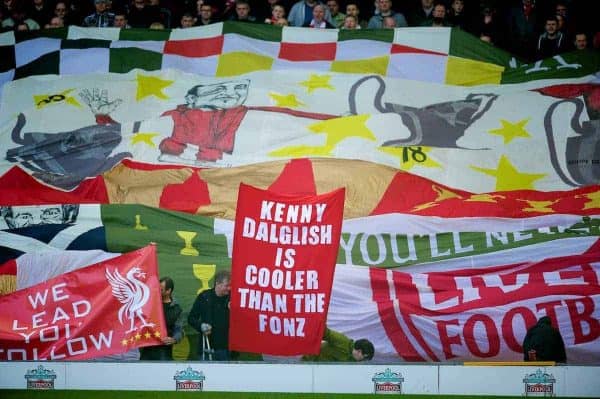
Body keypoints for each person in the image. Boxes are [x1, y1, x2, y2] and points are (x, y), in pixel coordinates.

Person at [188, 270, 232, 361]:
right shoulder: (204, 297)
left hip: (226, 348)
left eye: (230, 286)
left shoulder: (233, 298)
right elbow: (191, 318)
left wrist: (235, 310)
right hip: (207, 345)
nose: (229, 288)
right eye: (226, 285)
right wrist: (201, 326)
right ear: (217, 283)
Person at [139, 277, 184, 360]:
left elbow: (179, 330)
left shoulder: (177, 309)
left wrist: (174, 339)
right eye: (157, 288)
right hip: (147, 348)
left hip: (164, 350)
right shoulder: (150, 303)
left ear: (168, 291)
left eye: (161, 289)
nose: (158, 291)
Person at [302, 328, 375, 362]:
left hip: (324, 372)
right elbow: (323, 331)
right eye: (364, 357)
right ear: (359, 351)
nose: (363, 361)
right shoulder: (342, 341)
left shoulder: (353, 361)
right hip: (309, 362)